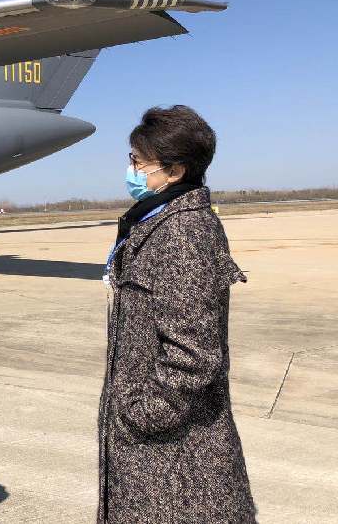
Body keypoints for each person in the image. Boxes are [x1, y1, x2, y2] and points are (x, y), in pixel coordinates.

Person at [98, 106, 256, 523]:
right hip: (160, 453)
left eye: (138, 161)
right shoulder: (156, 222)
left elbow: (195, 355)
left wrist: (142, 414)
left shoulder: (182, 233)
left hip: (177, 455)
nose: (131, 170)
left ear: (175, 170)